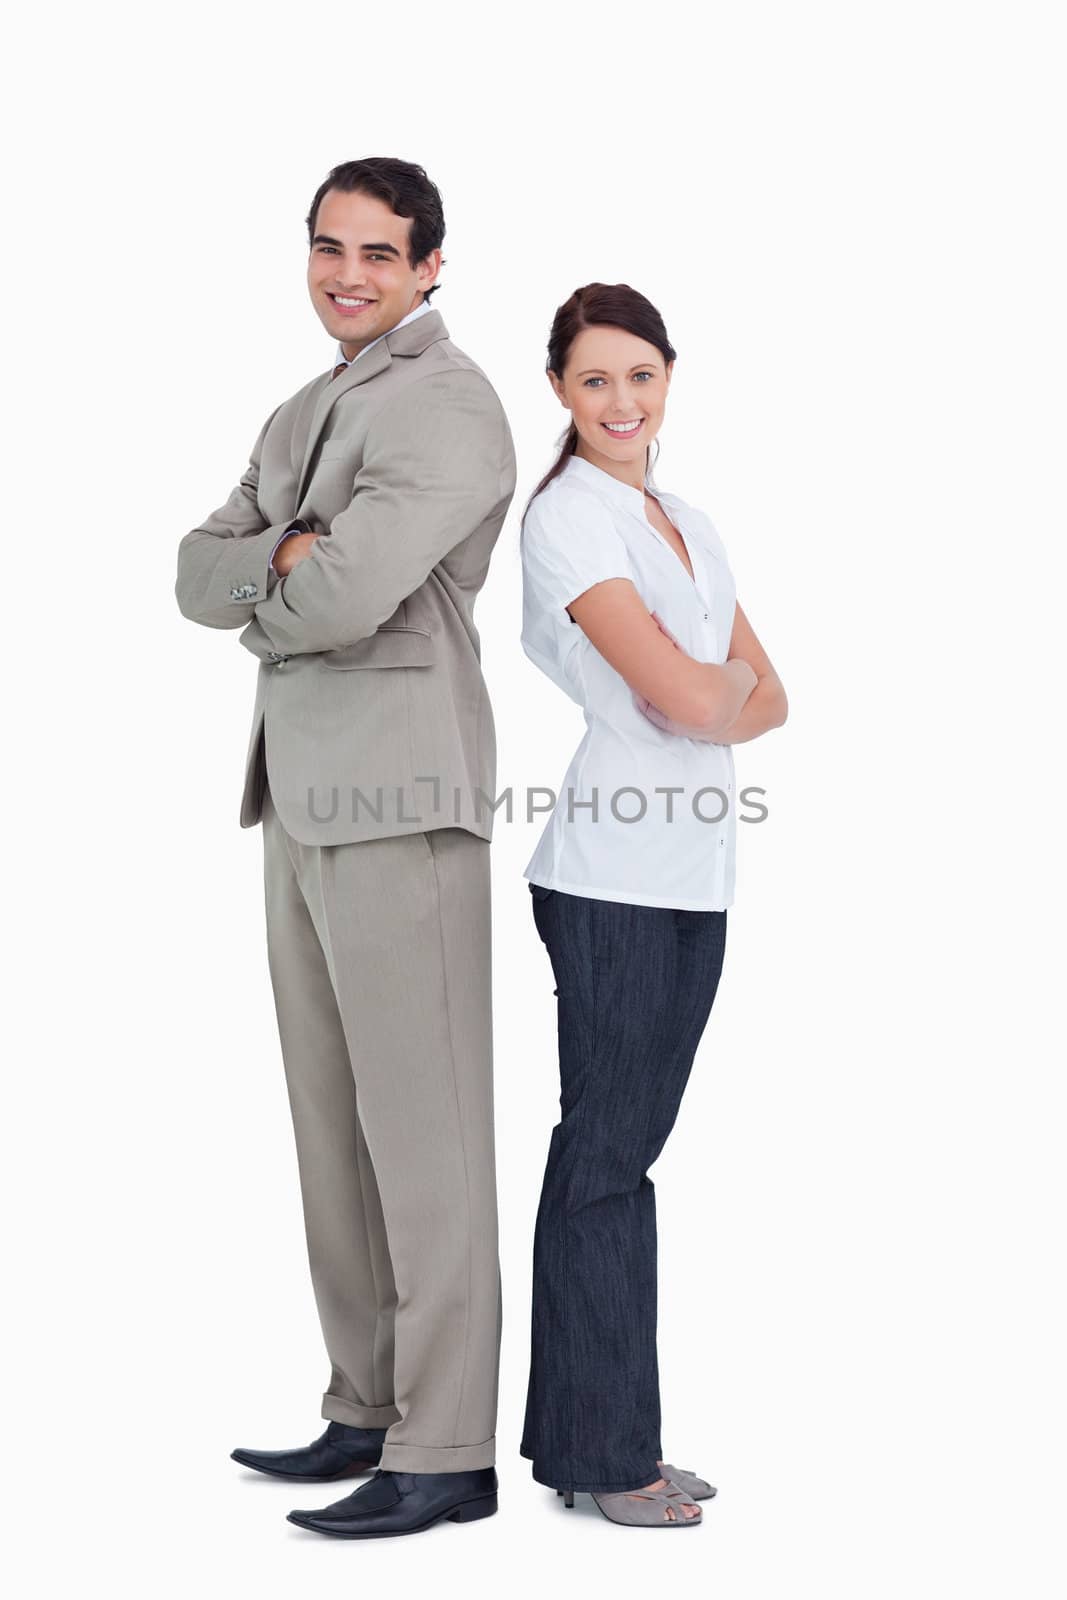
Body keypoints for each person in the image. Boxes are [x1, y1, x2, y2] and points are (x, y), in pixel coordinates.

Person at [174, 157, 516, 1540]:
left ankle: (446, 1447)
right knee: (333, 1131)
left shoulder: (446, 401)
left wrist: (281, 575)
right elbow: (193, 570)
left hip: (399, 796)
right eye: (328, 247)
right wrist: (282, 562)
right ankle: (362, 1406)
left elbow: (354, 588)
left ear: (430, 266)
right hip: (299, 797)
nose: (348, 274)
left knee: (424, 1140)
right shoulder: (305, 404)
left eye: (379, 252)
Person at [518, 282, 788, 1527]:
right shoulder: (569, 519)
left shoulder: (686, 520)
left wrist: (703, 686)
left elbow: (766, 699)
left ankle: (615, 1431)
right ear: (560, 393)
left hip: (694, 876)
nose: (619, 401)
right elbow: (694, 705)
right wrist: (704, 691)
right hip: (608, 876)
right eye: (592, 381)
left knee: (629, 1156)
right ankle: (599, 1449)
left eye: (638, 375)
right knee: (604, 1155)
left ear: (668, 378)